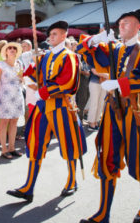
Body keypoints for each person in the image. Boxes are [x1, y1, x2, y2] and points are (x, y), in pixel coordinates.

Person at [77, 10, 140, 223]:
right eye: (120, 23)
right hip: (112, 111)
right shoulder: (114, 49)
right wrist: (98, 38)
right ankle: (103, 212)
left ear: (138, 27)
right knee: (107, 158)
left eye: (127, 23)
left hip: (136, 111)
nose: (121, 26)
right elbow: (83, 50)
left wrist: (120, 84)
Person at [7, 21, 84, 203]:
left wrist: (43, 91)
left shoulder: (69, 56)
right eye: (50, 34)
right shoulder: (44, 56)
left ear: (64, 36)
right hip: (43, 107)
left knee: (68, 144)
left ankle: (72, 180)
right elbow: (34, 76)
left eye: (55, 34)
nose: (51, 37)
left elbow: (66, 82)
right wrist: (28, 69)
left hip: (61, 106)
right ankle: (28, 187)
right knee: (35, 144)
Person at [0, 42, 25, 161]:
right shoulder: (1, 64)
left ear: (17, 52)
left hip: (17, 95)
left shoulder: (19, 63)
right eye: (9, 48)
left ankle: (12, 147)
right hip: (5, 96)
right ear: (5, 51)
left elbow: (22, 79)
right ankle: (4, 150)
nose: (12, 49)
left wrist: (23, 78)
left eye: (14, 48)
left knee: (14, 121)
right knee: (4, 122)